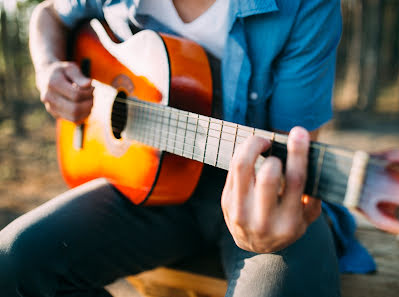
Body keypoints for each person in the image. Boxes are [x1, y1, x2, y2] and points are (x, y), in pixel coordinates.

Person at [0, 0, 342, 296]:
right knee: (11, 264)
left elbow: (290, 155)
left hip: (257, 192)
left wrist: (276, 208)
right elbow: (50, 14)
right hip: (145, 183)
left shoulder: (305, 5)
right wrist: (47, 68)